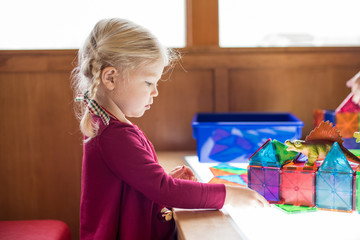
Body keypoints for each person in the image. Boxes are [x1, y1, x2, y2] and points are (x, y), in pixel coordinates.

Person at [72, 18, 269, 240]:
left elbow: (136, 184)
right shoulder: (114, 136)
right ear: (110, 78)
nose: (155, 92)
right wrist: (229, 195)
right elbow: (165, 189)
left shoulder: (106, 123)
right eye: (148, 83)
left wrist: (163, 178)